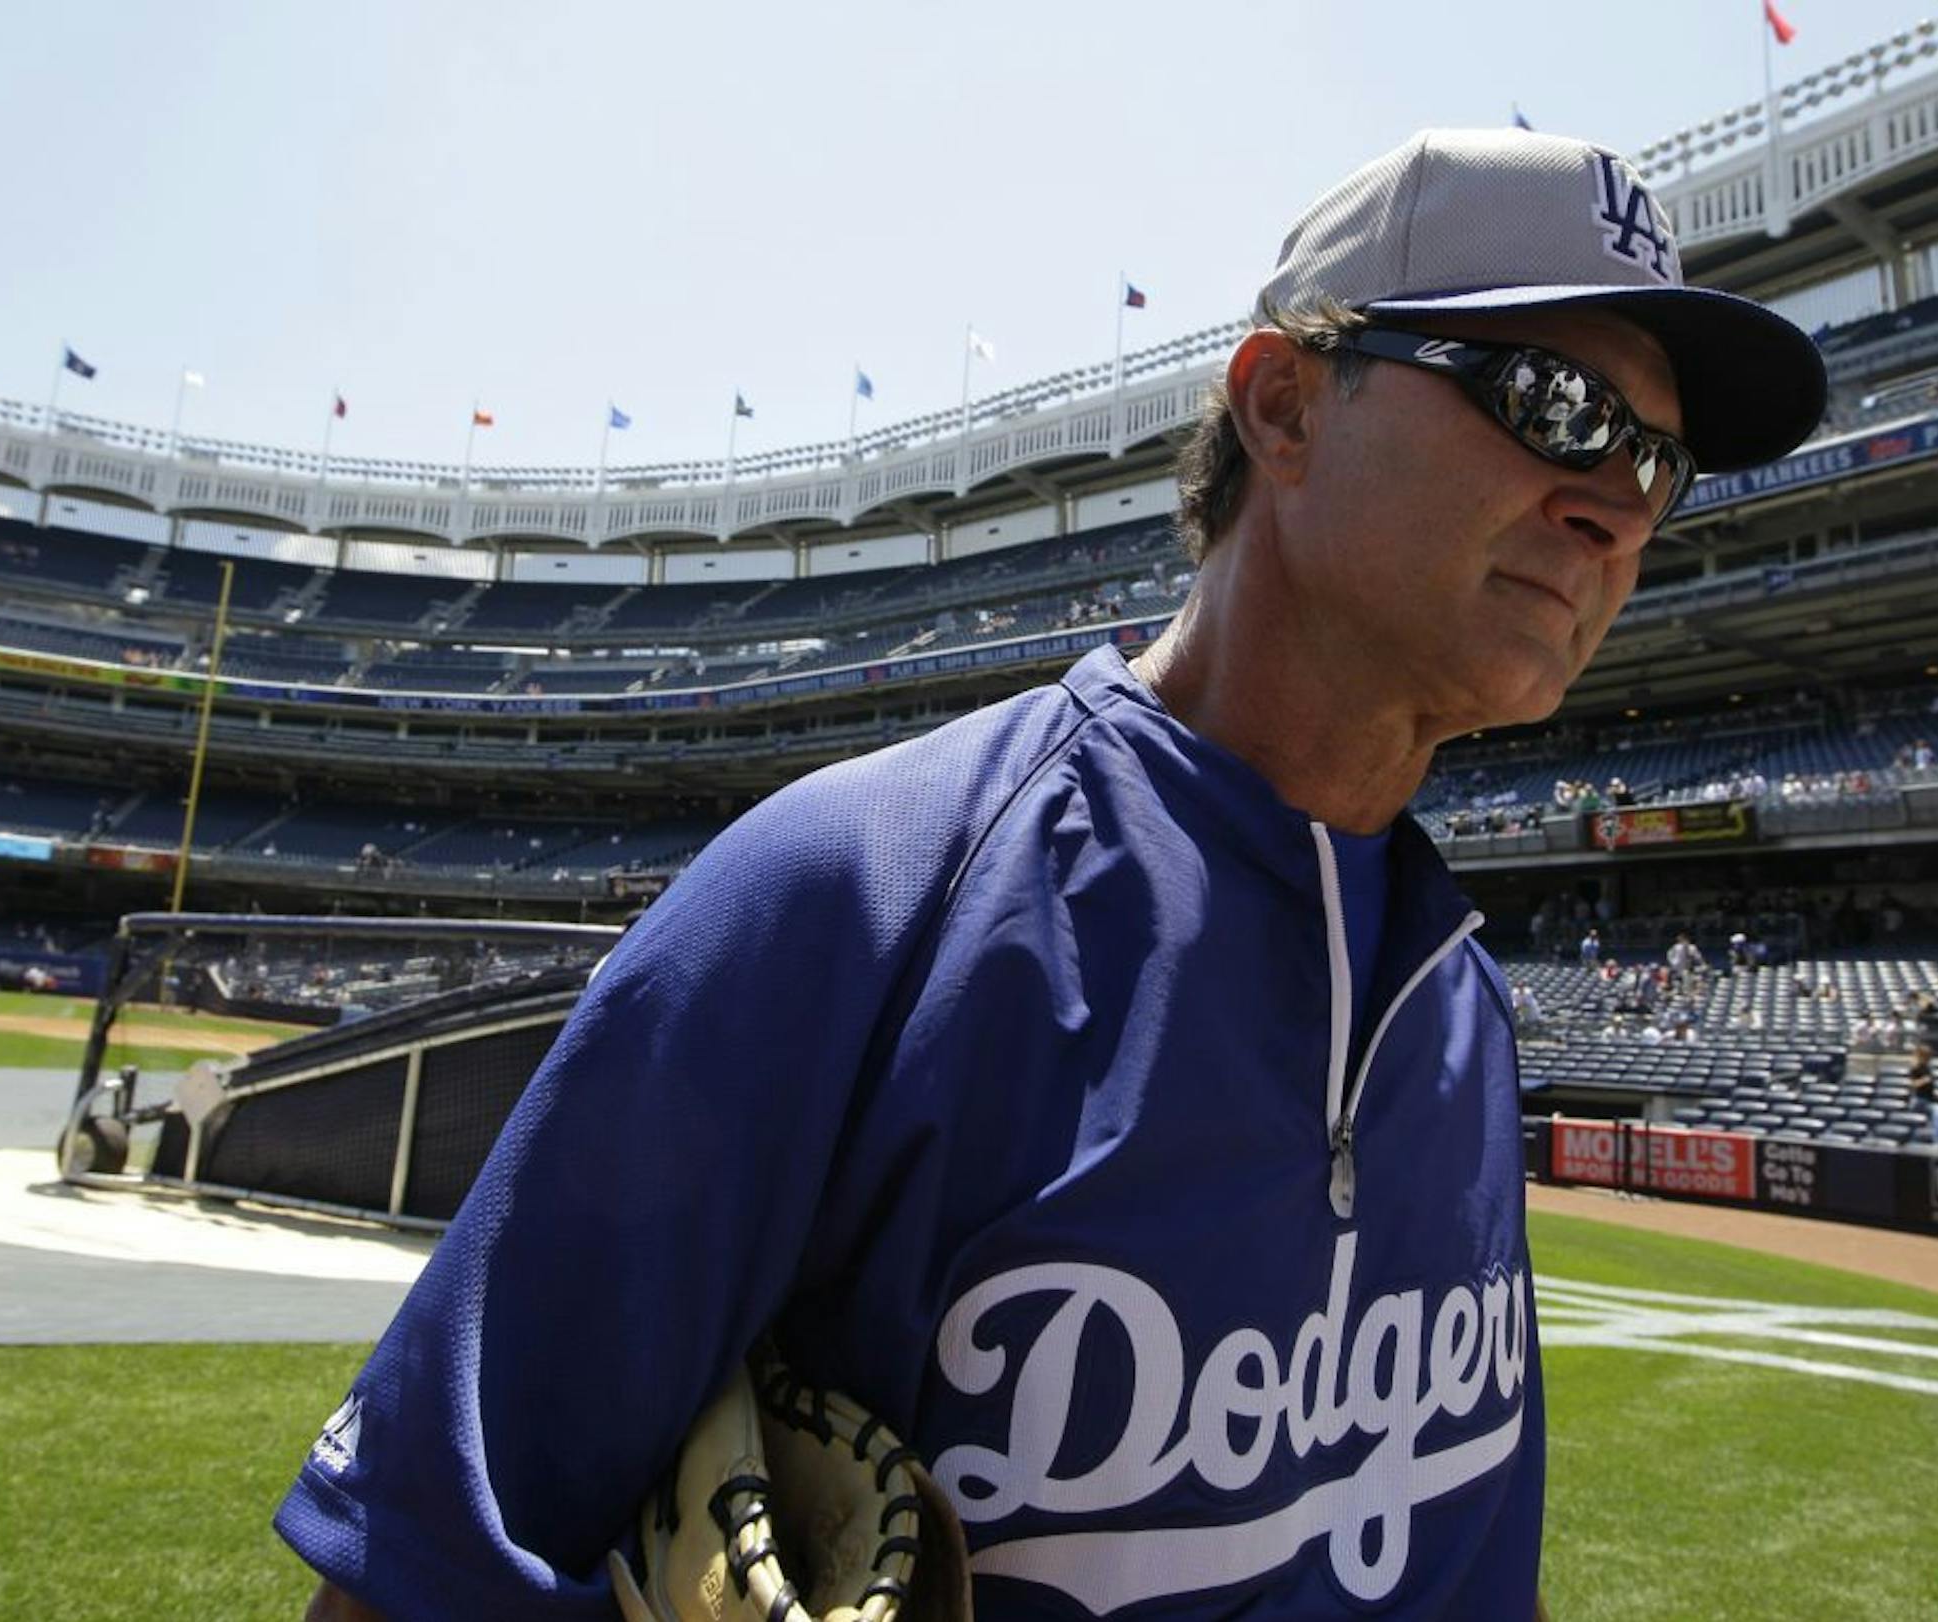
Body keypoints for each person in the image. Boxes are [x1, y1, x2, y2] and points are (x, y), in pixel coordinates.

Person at [279, 128, 1824, 1620]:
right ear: (1284, 406)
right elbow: (414, 1573)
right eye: (1555, 404)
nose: (1616, 504)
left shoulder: (1459, 994)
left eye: (1657, 459)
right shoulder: (857, 891)